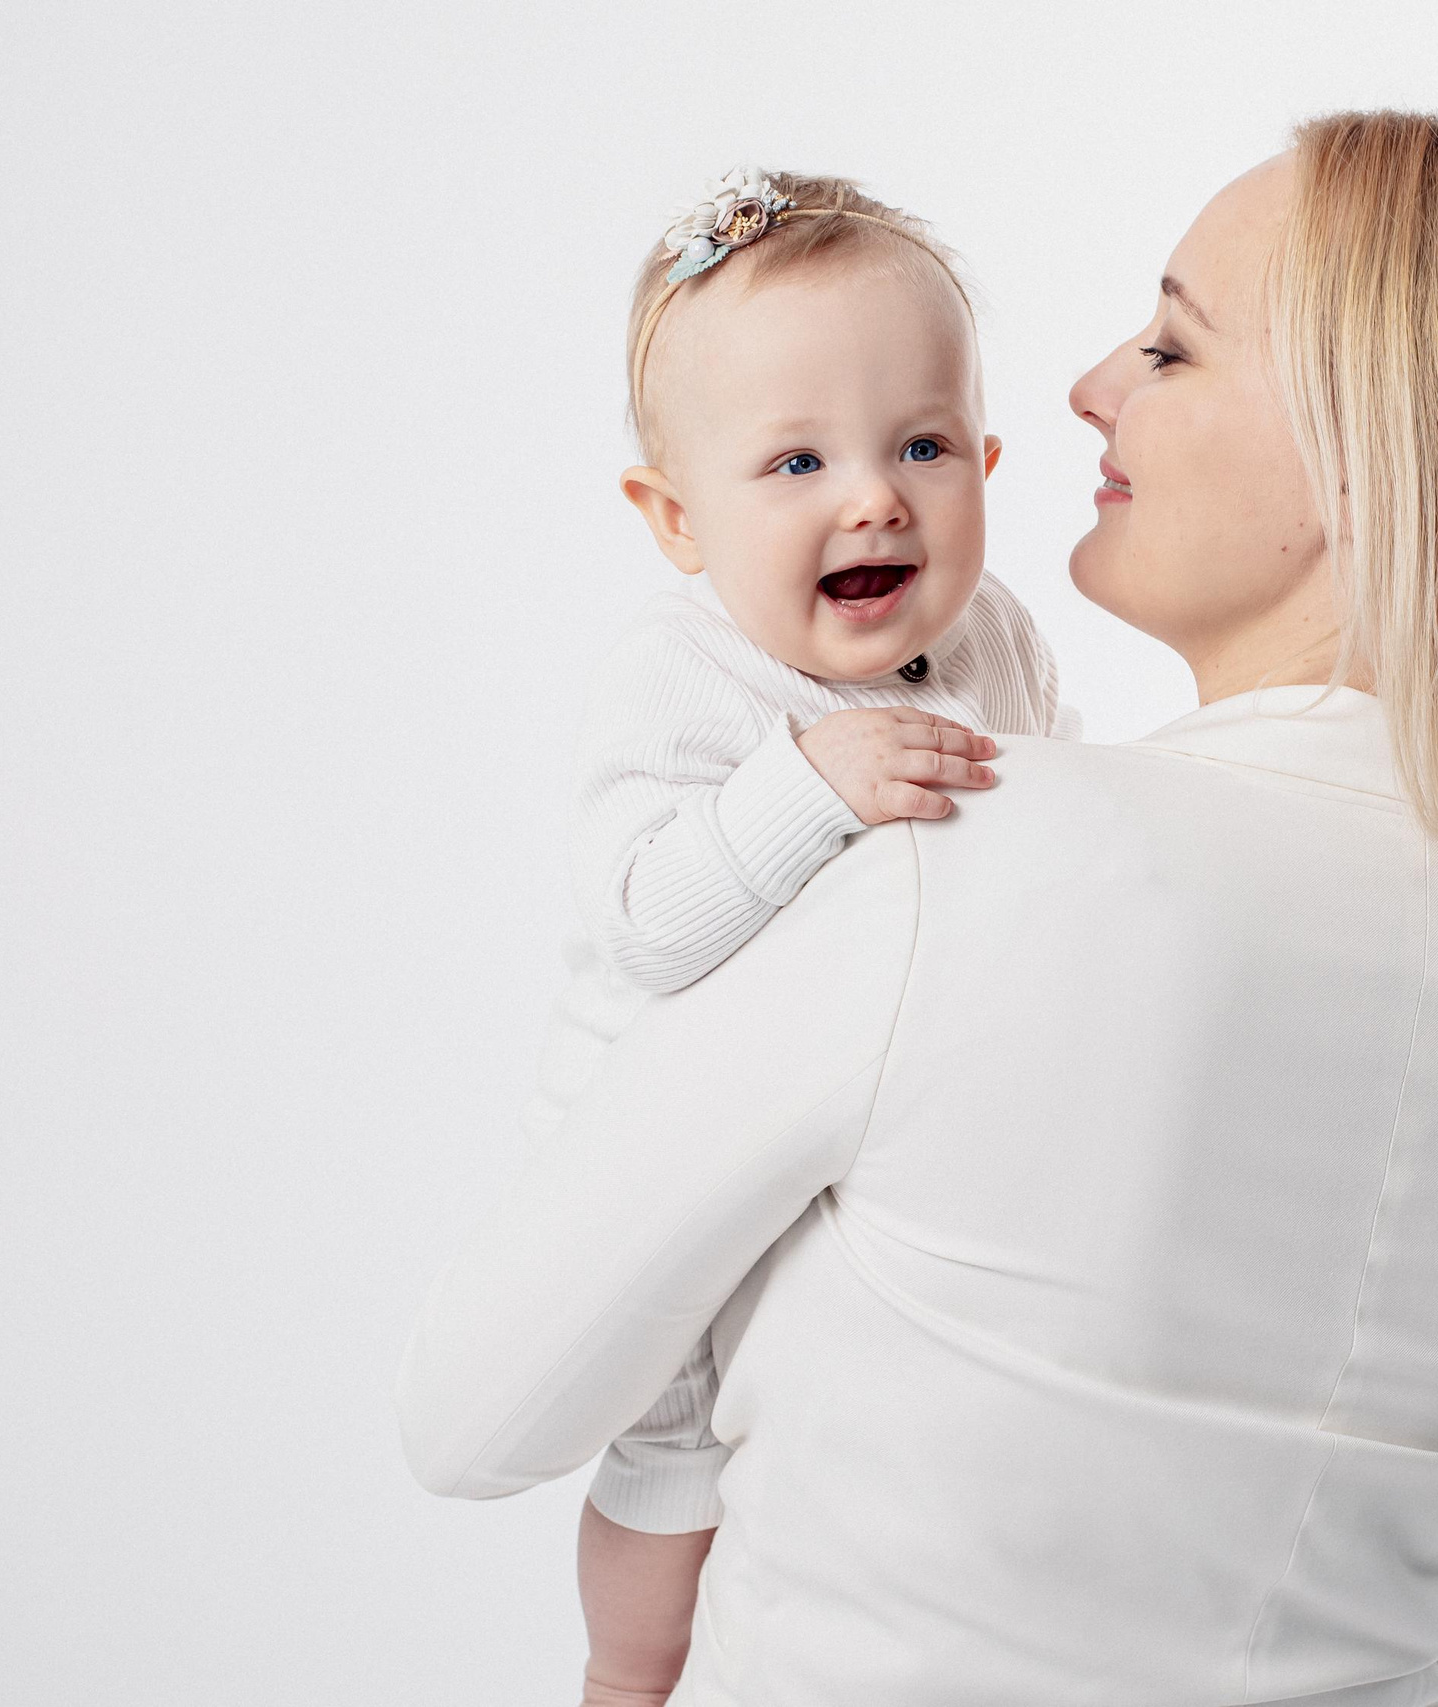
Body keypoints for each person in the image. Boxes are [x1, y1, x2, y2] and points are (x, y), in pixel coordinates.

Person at [400, 109, 1438, 1707]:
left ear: (1362, 451)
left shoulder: (942, 848)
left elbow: (472, 1417)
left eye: (1173, 350)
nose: (1088, 386)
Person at [519, 165, 1083, 1685]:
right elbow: (646, 921)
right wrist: (801, 787)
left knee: (837, 1427)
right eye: (795, 464)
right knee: (676, 1451)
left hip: (857, 1137)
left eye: (922, 444)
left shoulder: (993, 637)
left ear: (986, 458)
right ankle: (624, 1682)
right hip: (662, 1155)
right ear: (674, 519)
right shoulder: (690, 677)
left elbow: (1059, 815)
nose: (873, 496)